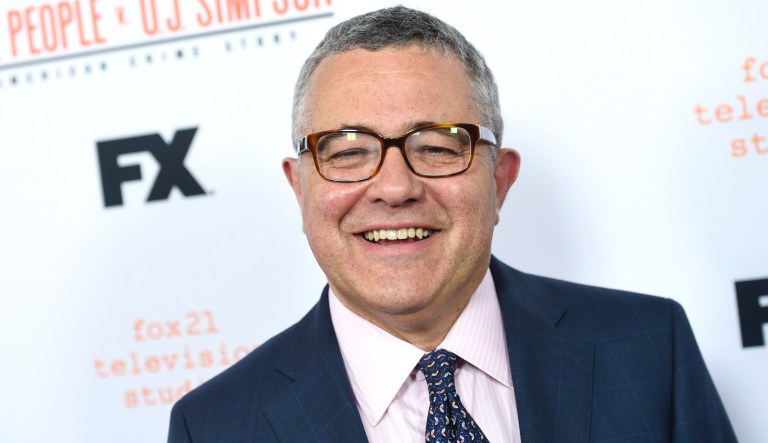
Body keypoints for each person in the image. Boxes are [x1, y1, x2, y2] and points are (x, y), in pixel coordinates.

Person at [168, 6, 737, 442]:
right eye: (346, 151)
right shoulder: (217, 426)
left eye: (438, 147)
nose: (394, 188)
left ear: (499, 181)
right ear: (300, 186)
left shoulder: (647, 348)